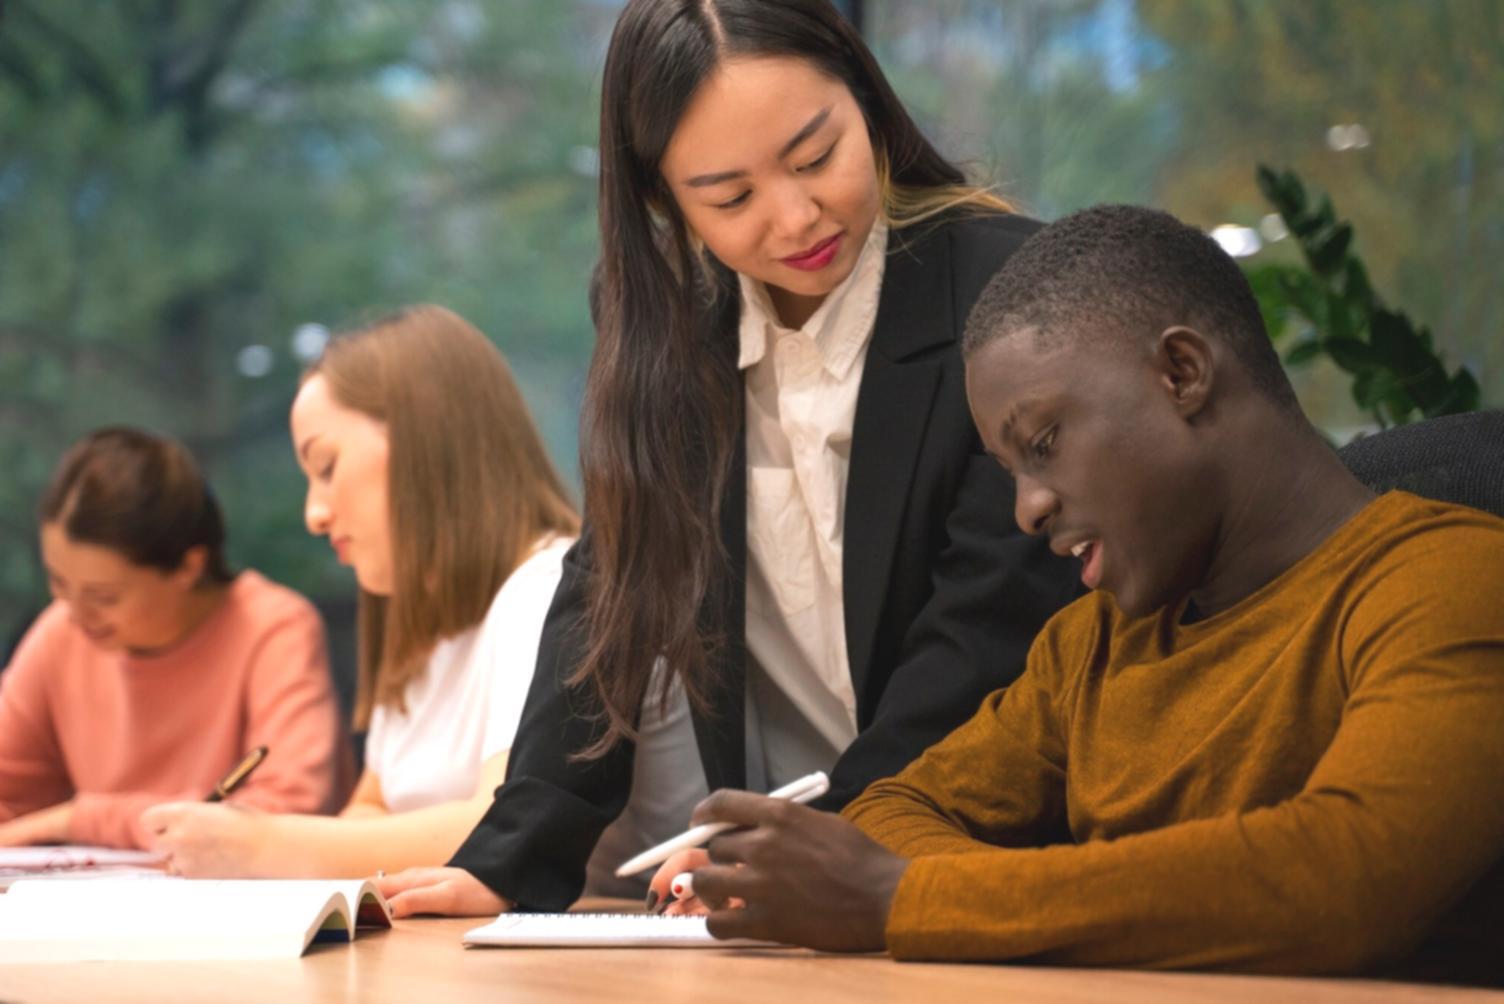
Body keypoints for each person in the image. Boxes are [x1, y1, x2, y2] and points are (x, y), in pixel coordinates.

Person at [654, 205, 1504, 983]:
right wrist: (909, 887)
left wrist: (903, 899)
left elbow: (1347, 881)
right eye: (1012, 471)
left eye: (1046, 443)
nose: (1027, 509)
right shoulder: (1089, 646)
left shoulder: (1449, 581)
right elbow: (891, 811)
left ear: (1182, 372)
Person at [377, 0, 1075, 917]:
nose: (795, 218)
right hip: (783, 890)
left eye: (816, 155)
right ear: (663, 197)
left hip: (995, 857)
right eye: (731, 197)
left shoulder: (1007, 291)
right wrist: (507, 860)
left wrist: (832, 848)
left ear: (866, 98)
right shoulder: (669, 324)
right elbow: (609, 590)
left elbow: (987, 631)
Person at [141, 305, 581, 878]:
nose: (314, 515)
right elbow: (373, 805)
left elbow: (505, 827)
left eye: (326, 466)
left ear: (428, 440)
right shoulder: (425, 620)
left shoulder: (549, 589)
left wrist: (265, 844)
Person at [0, 428, 345, 850]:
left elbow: (290, 810)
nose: (76, 613)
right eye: (57, 582)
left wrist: (83, 818)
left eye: (103, 596)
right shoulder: (60, 632)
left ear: (189, 567)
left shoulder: (274, 629)